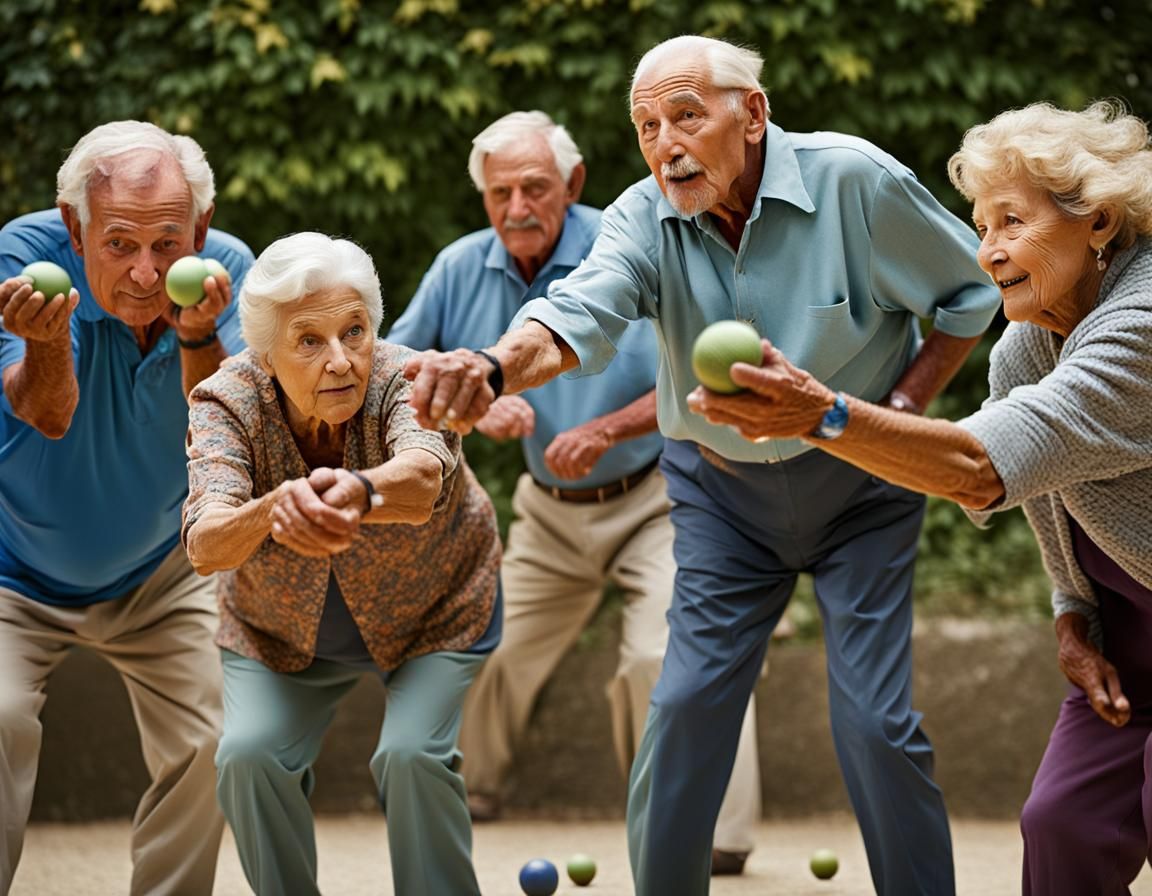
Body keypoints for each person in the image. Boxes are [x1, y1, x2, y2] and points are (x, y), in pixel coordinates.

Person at [402, 34, 1002, 896]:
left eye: (685, 115)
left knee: (875, 723)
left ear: (751, 114)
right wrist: (494, 367)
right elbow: (579, 312)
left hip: (862, 490)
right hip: (723, 500)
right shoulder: (641, 216)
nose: (664, 143)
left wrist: (899, 414)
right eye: (646, 126)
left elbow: (968, 295)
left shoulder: (853, 180)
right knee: (682, 712)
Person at [689, 99, 1152, 896]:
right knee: (1062, 825)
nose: (988, 251)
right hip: (1126, 649)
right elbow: (1026, 493)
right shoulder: (1024, 344)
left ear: (1100, 223)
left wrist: (820, 415)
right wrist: (1070, 615)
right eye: (981, 225)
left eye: (1012, 221)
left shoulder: (1140, 324)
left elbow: (979, 465)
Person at [388, 110, 762, 874]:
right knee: (485, 645)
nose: (518, 207)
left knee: (663, 656)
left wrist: (611, 430)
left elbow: (704, 369)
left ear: (574, 184)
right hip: (548, 511)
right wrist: (477, 403)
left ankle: (708, 829)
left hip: (659, 495)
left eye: (535, 187)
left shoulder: (632, 242)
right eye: (501, 193)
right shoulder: (461, 266)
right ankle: (469, 789)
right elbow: (396, 360)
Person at [183, 232, 501, 896]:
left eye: (353, 332)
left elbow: (421, 479)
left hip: (435, 613)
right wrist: (276, 508)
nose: (340, 361)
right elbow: (206, 540)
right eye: (309, 340)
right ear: (265, 356)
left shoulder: (407, 375)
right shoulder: (225, 399)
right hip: (278, 629)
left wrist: (359, 490)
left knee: (412, 757)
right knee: (247, 757)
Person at [0, 120, 252, 896]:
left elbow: (226, 420)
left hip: (158, 570)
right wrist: (46, 343)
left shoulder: (229, 272)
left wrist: (198, 334)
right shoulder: (21, 258)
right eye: (118, 245)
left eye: (167, 244)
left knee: (218, 740)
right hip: (13, 571)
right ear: (75, 230)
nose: (146, 274)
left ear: (201, 229)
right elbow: (45, 413)